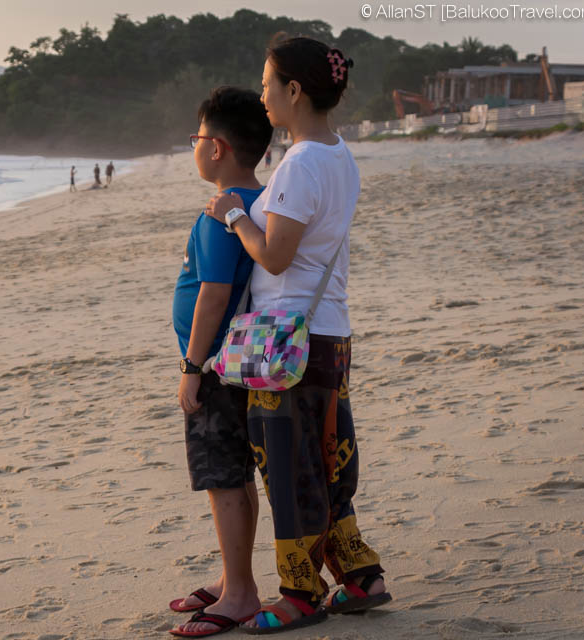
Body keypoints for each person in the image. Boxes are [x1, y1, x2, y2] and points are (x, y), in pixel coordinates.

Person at [204, 37, 390, 634]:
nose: (261, 94)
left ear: (294, 90)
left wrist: (234, 215)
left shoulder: (302, 162)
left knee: (289, 467)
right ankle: (361, 578)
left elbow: (276, 257)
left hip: (287, 342)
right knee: (329, 462)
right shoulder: (340, 155)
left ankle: (300, 593)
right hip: (328, 331)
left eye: (267, 83)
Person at [168, 87, 273, 638]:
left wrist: (191, 366)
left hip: (214, 365)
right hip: (239, 360)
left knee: (222, 479)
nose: (195, 146)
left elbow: (212, 292)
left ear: (217, 147)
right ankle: (237, 577)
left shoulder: (220, 212)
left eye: (197, 136)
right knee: (236, 474)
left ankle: (240, 593)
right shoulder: (258, 204)